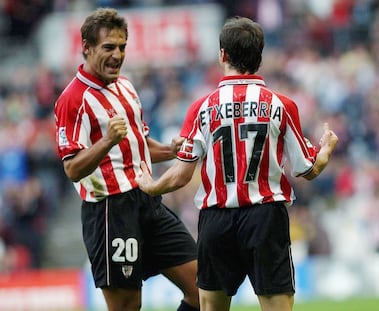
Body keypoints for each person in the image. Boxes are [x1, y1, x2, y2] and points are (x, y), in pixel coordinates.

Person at [135, 16, 338, 311]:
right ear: (259, 57)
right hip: (265, 218)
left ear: (223, 55)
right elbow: (308, 169)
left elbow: (180, 176)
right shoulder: (281, 105)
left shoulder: (201, 107)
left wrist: (151, 186)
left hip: (216, 220)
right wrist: (327, 149)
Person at [54, 8, 199, 311]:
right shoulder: (73, 99)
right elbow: (72, 168)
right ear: (87, 48)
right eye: (109, 47)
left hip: (147, 199)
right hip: (111, 210)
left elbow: (139, 144)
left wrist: (170, 150)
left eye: (122, 47)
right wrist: (107, 140)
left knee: (204, 289)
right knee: (127, 306)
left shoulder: (126, 87)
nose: (117, 55)